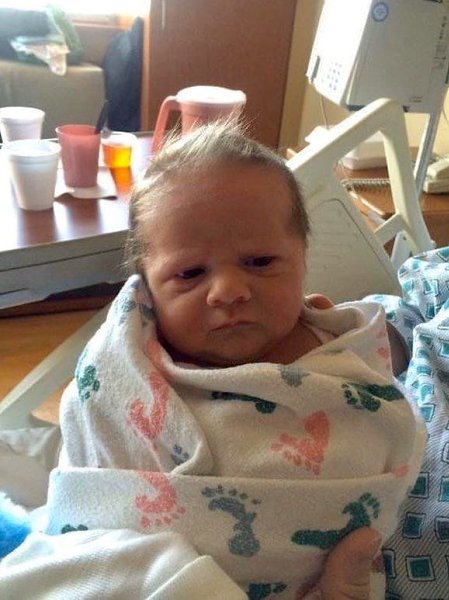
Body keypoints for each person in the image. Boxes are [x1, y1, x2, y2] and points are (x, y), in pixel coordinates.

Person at [0, 122, 425, 599]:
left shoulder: (336, 345)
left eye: (260, 262)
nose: (228, 291)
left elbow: (383, 408)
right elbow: (95, 466)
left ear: (303, 259)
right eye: (190, 273)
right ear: (148, 289)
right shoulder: (127, 364)